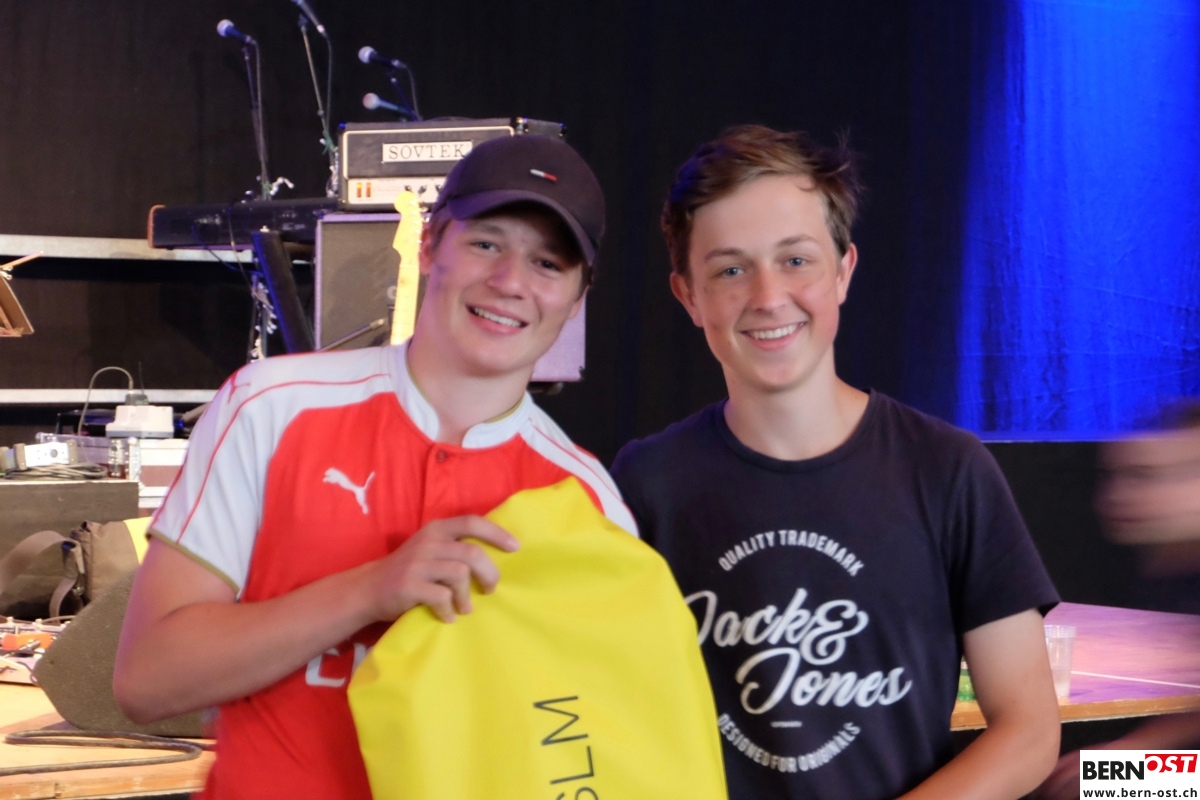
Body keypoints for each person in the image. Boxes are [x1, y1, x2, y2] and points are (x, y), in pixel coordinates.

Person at [113, 135, 635, 800]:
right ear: (429, 245)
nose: (510, 282)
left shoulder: (588, 501)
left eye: (548, 263)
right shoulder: (271, 407)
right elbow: (147, 680)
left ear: (577, 298)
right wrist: (369, 590)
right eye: (486, 243)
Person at [611, 124, 1061, 799]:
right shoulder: (646, 485)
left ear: (844, 271)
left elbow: (1028, 731)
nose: (768, 296)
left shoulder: (947, 470)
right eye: (730, 270)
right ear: (688, 296)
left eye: (796, 260)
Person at [1036, 400, 1200, 799]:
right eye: (1112, 476)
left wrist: (1126, 759)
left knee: (1082, 783)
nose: (1117, 495)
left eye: (1145, 476)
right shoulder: (1160, 570)